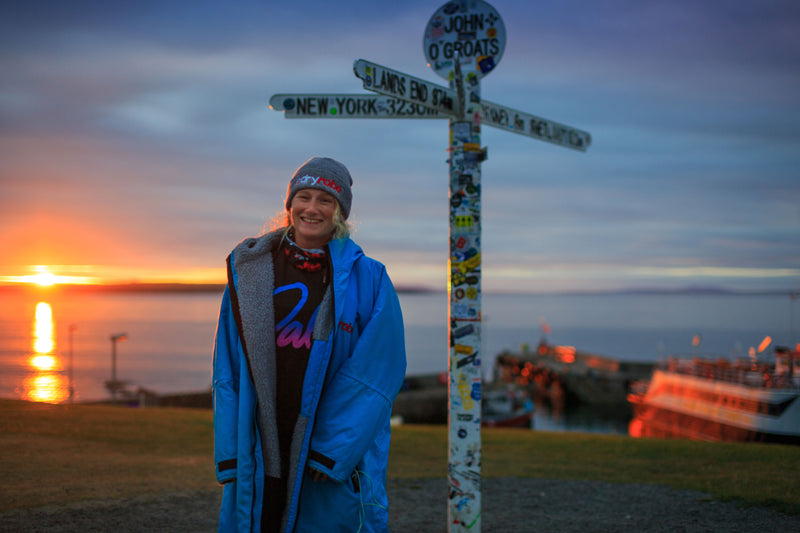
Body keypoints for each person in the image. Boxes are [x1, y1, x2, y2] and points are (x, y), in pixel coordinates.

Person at [212, 156, 407, 532]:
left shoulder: (370, 279)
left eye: (325, 200)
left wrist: (331, 450)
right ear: (290, 205)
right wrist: (231, 452)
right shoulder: (249, 271)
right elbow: (228, 370)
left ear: (340, 211)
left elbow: (377, 372)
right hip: (262, 440)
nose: (312, 208)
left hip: (327, 450)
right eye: (303, 197)